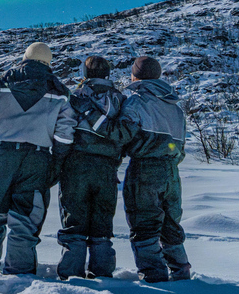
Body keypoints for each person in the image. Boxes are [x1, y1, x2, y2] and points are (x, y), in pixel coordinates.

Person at [0, 42, 77, 277]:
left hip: (1, 156)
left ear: (24, 58)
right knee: (25, 219)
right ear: (48, 62)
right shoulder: (59, 92)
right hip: (37, 159)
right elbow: (64, 133)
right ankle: (18, 276)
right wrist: (57, 163)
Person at [113, 56, 191, 282]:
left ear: (135, 75)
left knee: (144, 224)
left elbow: (123, 136)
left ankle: (154, 276)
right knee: (171, 224)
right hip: (171, 172)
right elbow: (180, 147)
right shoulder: (175, 108)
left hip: (145, 169)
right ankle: (181, 273)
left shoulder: (136, 102)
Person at [56, 56, 126, 280]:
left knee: (74, 222)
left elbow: (64, 127)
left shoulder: (75, 96)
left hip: (76, 166)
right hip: (107, 168)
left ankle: (70, 275)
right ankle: (103, 274)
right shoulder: (120, 99)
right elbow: (126, 135)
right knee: (102, 224)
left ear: (83, 73)